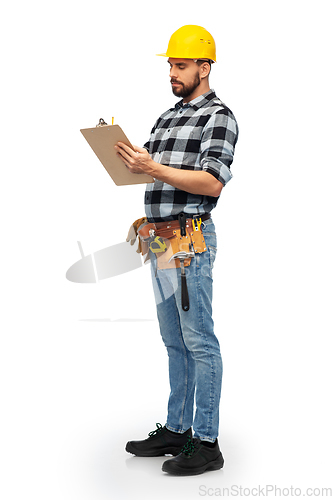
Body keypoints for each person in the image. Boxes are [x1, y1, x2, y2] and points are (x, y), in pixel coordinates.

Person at [115, 25, 239, 476]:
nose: (173, 71)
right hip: (160, 239)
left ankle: (207, 442)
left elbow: (211, 183)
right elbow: (153, 171)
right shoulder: (167, 117)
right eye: (170, 64)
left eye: (181, 64)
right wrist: (131, 159)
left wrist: (155, 167)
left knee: (199, 341)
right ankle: (178, 428)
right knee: (174, 340)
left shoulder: (218, 117)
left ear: (204, 68)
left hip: (190, 242)